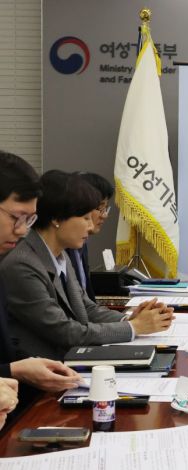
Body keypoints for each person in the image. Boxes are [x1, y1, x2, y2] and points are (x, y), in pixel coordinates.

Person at [0, 170, 174, 361]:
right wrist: (134, 327)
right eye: (85, 218)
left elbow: (86, 308)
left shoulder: (60, 255)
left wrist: (130, 319)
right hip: (46, 370)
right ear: (56, 218)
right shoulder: (22, 264)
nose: (90, 227)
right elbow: (64, 331)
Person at [0, 151, 85, 431]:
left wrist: (22, 368)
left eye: (29, 219)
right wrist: (16, 370)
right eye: (17, 217)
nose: (22, 230)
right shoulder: (18, 263)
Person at [65, 172, 114, 301]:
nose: (104, 215)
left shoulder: (82, 243)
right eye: (100, 208)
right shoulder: (61, 249)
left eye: (106, 208)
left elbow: (87, 301)